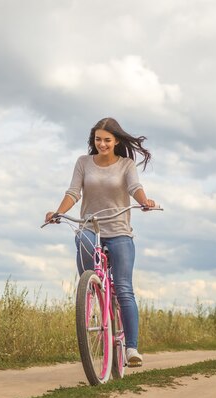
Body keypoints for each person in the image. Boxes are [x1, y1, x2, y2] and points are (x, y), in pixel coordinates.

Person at [45, 117, 156, 367]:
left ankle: (131, 348)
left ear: (116, 141)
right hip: (90, 227)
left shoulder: (126, 164)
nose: (102, 144)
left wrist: (144, 201)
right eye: (98, 139)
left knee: (125, 289)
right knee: (82, 240)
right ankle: (91, 287)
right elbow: (74, 192)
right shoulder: (83, 162)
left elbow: (134, 187)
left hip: (118, 230)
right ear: (92, 140)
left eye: (107, 140)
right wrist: (58, 212)